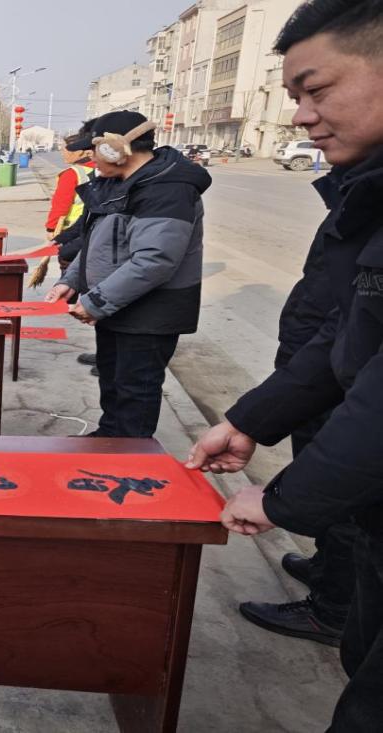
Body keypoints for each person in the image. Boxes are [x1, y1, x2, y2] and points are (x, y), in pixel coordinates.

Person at [186, 2, 383, 727]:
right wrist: (250, 420)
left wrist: (281, 500)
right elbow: (348, 332)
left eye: (316, 89)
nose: (301, 117)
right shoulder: (367, 190)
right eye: (294, 96)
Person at [45, 110, 210, 438]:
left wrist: (97, 301)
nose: (91, 158)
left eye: (94, 149)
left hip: (149, 313)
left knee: (135, 390)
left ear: (116, 149)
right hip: (117, 306)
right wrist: (71, 281)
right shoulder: (116, 184)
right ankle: (109, 439)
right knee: (112, 379)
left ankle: (130, 453)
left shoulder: (167, 190)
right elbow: (97, 242)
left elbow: (155, 260)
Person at [47, 120, 99, 369]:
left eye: (66, 149)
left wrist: (53, 232)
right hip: (78, 234)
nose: (63, 153)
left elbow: (60, 205)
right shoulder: (100, 175)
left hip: (81, 240)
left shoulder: (73, 174)